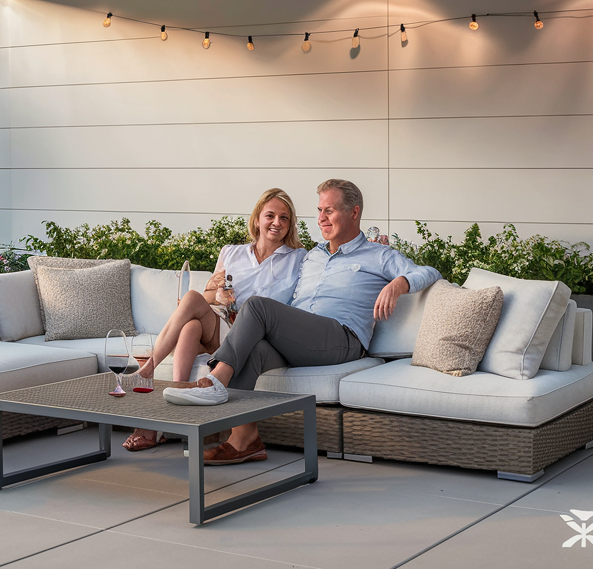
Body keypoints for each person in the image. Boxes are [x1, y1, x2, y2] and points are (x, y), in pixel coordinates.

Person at [163, 179, 442, 466]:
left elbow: (429, 272)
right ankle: (245, 439)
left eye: (329, 211)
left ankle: (214, 381)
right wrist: (214, 293)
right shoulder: (312, 256)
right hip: (301, 340)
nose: (321, 218)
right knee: (255, 349)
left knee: (257, 306)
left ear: (354, 213)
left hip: (341, 339)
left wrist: (399, 283)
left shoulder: (379, 255)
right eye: (319, 210)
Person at [121, 188, 307, 451]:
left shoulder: (299, 258)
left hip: (253, 333)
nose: (276, 222)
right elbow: (208, 296)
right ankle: (172, 390)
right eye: (270, 215)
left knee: (192, 319)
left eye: (284, 218)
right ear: (257, 220)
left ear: (290, 225)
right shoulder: (232, 252)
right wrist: (216, 294)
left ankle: (151, 375)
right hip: (223, 325)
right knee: (193, 315)